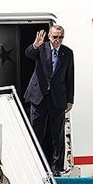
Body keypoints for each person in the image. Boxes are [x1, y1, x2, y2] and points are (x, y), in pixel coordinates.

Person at [24, 23, 74, 174]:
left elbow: (70, 77)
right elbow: (28, 54)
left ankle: (56, 167)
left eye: (61, 37)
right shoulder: (42, 47)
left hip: (57, 98)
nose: (57, 40)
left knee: (57, 135)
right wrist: (35, 45)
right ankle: (35, 165)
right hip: (39, 97)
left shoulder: (67, 53)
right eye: (55, 37)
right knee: (36, 132)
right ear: (49, 36)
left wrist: (70, 99)